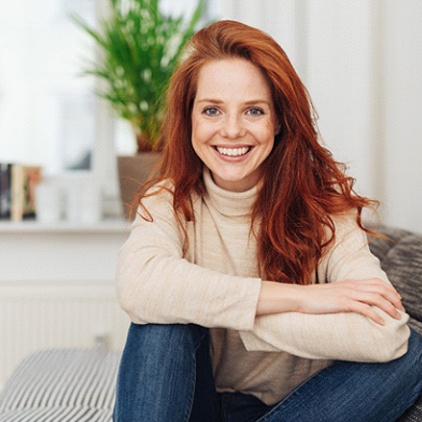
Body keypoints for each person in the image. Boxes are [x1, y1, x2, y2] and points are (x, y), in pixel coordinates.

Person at [113, 20, 421, 422]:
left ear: (278, 121)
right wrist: (304, 299)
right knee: (160, 325)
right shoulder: (168, 201)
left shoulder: (326, 212)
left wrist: (233, 316)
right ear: (189, 120)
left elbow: (387, 335)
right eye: (212, 110)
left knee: (412, 354)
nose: (232, 130)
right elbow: (137, 286)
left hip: (296, 410)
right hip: (193, 405)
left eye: (254, 110)